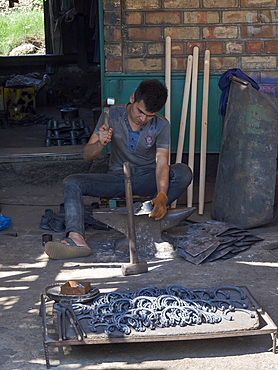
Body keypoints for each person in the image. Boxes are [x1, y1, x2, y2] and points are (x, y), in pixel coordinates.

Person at [45, 79, 192, 260]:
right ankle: (76, 238)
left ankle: (150, 213)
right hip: (118, 179)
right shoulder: (110, 115)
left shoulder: (162, 125)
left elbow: (162, 162)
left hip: (147, 179)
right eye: (140, 111)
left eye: (149, 115)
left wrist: (162, 195)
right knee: (72, 182)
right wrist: (100, 143)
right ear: (132, 98)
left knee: (183, 172)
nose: (143, 119)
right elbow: (87, 156)